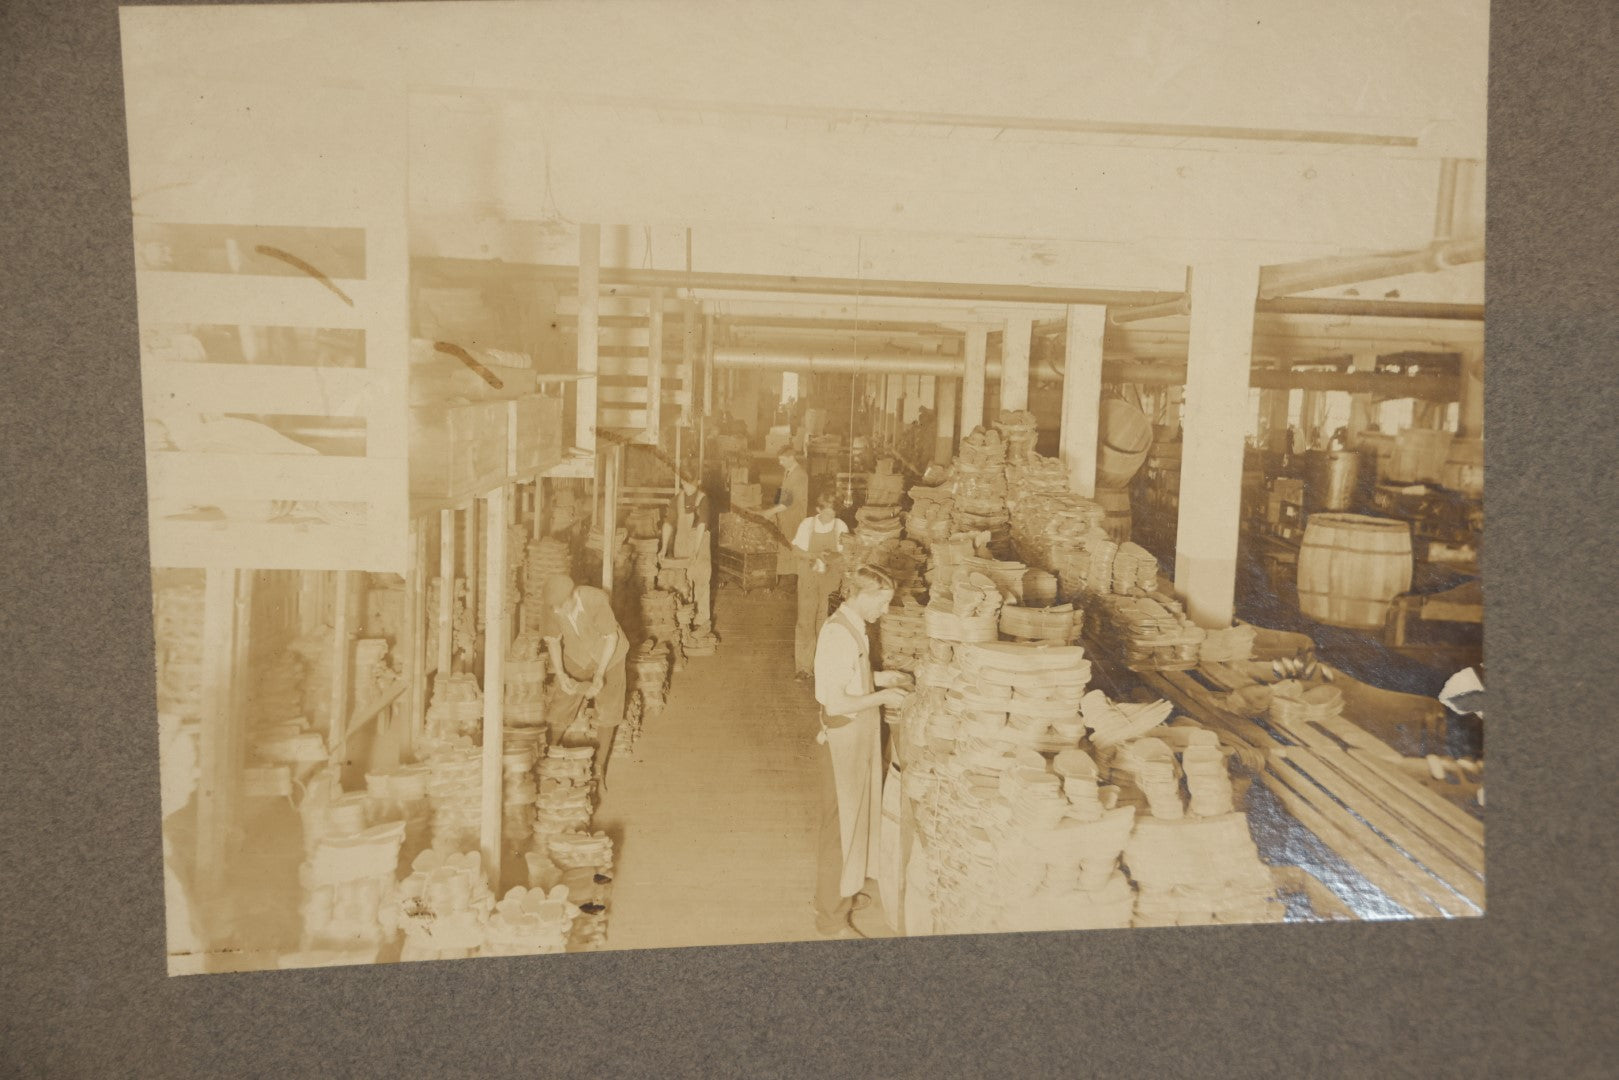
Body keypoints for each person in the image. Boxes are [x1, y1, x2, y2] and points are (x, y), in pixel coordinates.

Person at [811, 565, 911, 937]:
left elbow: (852, 679)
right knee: (840, 831)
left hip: (857, 735)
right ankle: (830, 919)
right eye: (882, 602)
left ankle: (839, 893)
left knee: (851, 824)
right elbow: (835, 701)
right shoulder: (838, 634)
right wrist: (883, 695)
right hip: (842, 740)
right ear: (862, 594)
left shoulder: (855, 628)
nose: (885, 610)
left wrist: (886, 679)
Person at [539, 573, 629, 792]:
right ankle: (549, 754)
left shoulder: (595, 600)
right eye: (554, 608)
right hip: (577, 654)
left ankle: (598, 768)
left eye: (561, 606)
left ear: (572, 596)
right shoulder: (552, 607)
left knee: (608, 708)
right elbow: (553, 641)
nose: (557, 612)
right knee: (562, 702)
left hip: (609, 654)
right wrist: (561, 675)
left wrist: (599, 675)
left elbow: (611, 638)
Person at [791, 492, 850, 678]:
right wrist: (814, 556)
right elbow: (796, 549)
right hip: (808, 578)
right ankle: (803, 667)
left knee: (826, 621)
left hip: (830, 579)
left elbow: (846, 554)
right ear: (818, 510)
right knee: (805, 621)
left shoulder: (841, 526)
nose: (830, 518)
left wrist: (831, 557)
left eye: (833, 514)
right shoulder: (807, 525)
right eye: (826, 514)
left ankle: (823, 667)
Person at [661, 475, 713, 630]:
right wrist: (663, 547)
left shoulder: (703, 499)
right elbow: (669, 523)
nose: (688, 486)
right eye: (685, 482)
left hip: (700, 543)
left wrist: (695, 551)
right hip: (681, 542)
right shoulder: (677, 499)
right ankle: (685, 619)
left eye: (692, 483)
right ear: (681, 481)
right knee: (683, 581)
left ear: (698, 481)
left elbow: (702, 526)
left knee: (701, 581)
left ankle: (702, 620)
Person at [761, 449, 809, 577]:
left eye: (782, 459)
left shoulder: (800, 476)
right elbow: (784, 493)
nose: (780, 463)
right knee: (784, 545)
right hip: (784, 515)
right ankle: (786, 575)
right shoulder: (788, 472)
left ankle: (792, 580)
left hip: (794, 517)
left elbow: (789, 502)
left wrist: (770, 511)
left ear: (792, 457)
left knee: (791, 546)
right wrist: (774, 505)